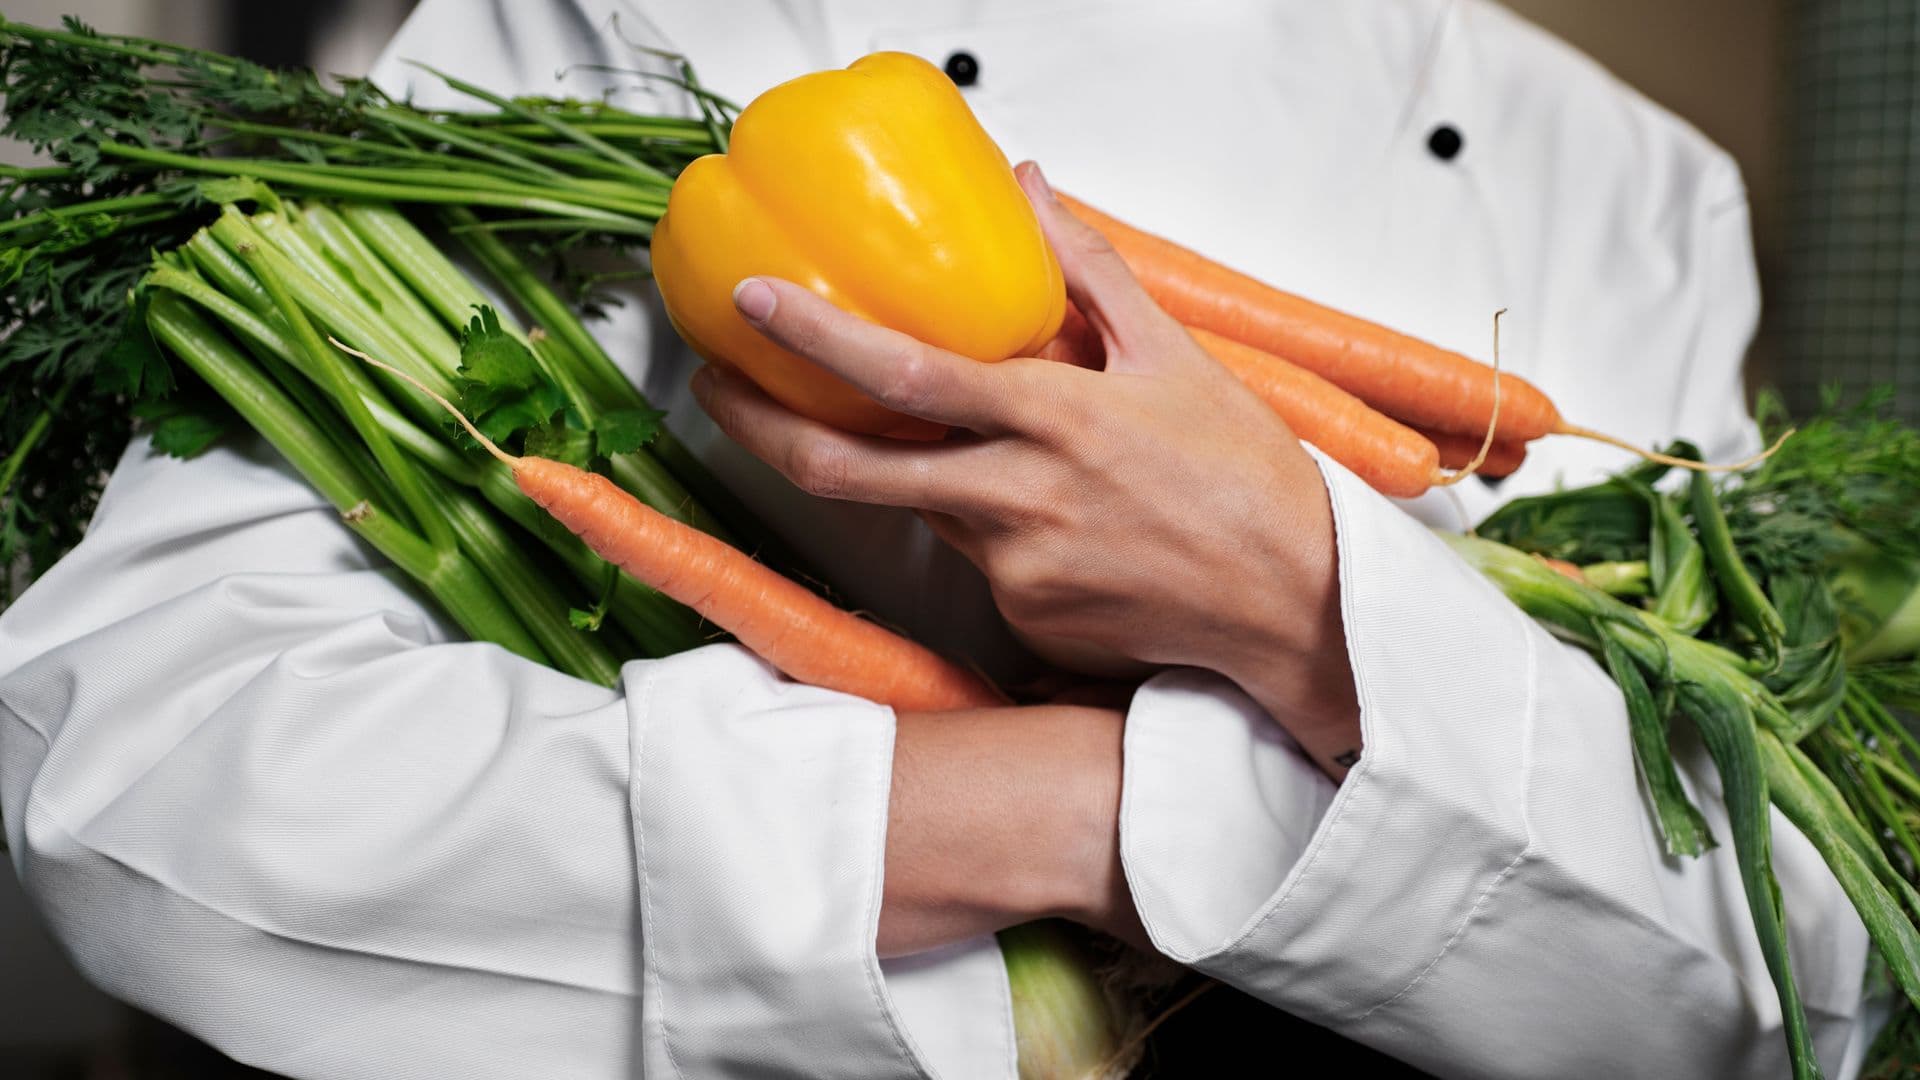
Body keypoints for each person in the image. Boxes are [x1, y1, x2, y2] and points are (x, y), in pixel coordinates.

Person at [0, 0, 1876, 1076]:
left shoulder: (1632, 183)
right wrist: (1074, 809)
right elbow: (149, 761)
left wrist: (1304, 602)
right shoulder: (633, 23)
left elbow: (1776, 966)